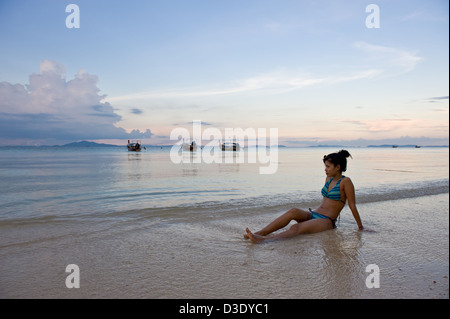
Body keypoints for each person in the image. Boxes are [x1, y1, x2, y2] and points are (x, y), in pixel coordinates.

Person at [244, 150, 364, 243]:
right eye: (325, 166)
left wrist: (360, 227)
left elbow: (352, 206)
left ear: (338, 168)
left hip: (326, 221)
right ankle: (261, 233)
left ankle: (265, 240)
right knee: (293, 211)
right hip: (313, 214)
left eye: (328, 166)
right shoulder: (328, 179)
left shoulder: (346, 182)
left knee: (296, 228)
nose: (325, 169)